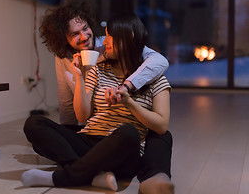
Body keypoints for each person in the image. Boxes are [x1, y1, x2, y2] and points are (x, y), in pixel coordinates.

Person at [22, 14, 174, 193]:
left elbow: (162, 126)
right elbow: (82, 116)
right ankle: (92, 174)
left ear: (129, 38)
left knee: (128, 133)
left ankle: (65, 177)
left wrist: (129, 103)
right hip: (90, 139)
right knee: (34, 123)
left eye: (109, 35)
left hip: (123, 149)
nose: (104, 41)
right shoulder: (97, 69)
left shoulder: (154, 77)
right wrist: (79, 76)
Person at [39, 0, 169, 130]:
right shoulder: (63, 59)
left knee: (157, 138)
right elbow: (66, 103)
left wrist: (127, 86)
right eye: (75, 34)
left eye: (85, 28)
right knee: (37, 125)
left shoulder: (110, 46)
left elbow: (159, 60)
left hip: (118, 125)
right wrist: (67, 135)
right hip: (90, 125)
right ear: (64, 39)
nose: (84, 37)